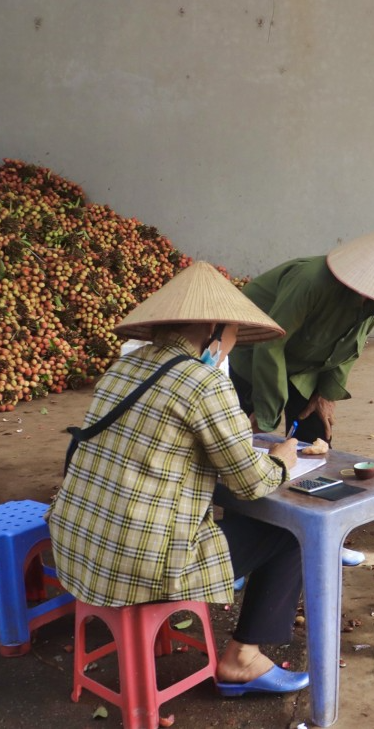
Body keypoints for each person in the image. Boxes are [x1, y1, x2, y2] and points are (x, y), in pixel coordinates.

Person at [46, 261, 311, 697]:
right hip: (141, 562)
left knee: (241, 525)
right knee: (289, 532)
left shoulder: (123, 369)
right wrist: (281, 460)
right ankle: (241, 659)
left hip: (77, 546)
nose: (230, 346)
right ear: (213, 328)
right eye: (230, 335)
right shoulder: (204, 381)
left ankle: (234, 608)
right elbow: (251, 483)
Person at [226, 219, 374, 559]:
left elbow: (349, 346)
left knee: (316, 444)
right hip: (254, 355)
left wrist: (326, 393)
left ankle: (321, 538)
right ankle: (242, 548)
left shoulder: (372, 300)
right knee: (247, 448)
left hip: (306, 365)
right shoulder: (310, 281)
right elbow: (269, 346)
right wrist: (265, 412)